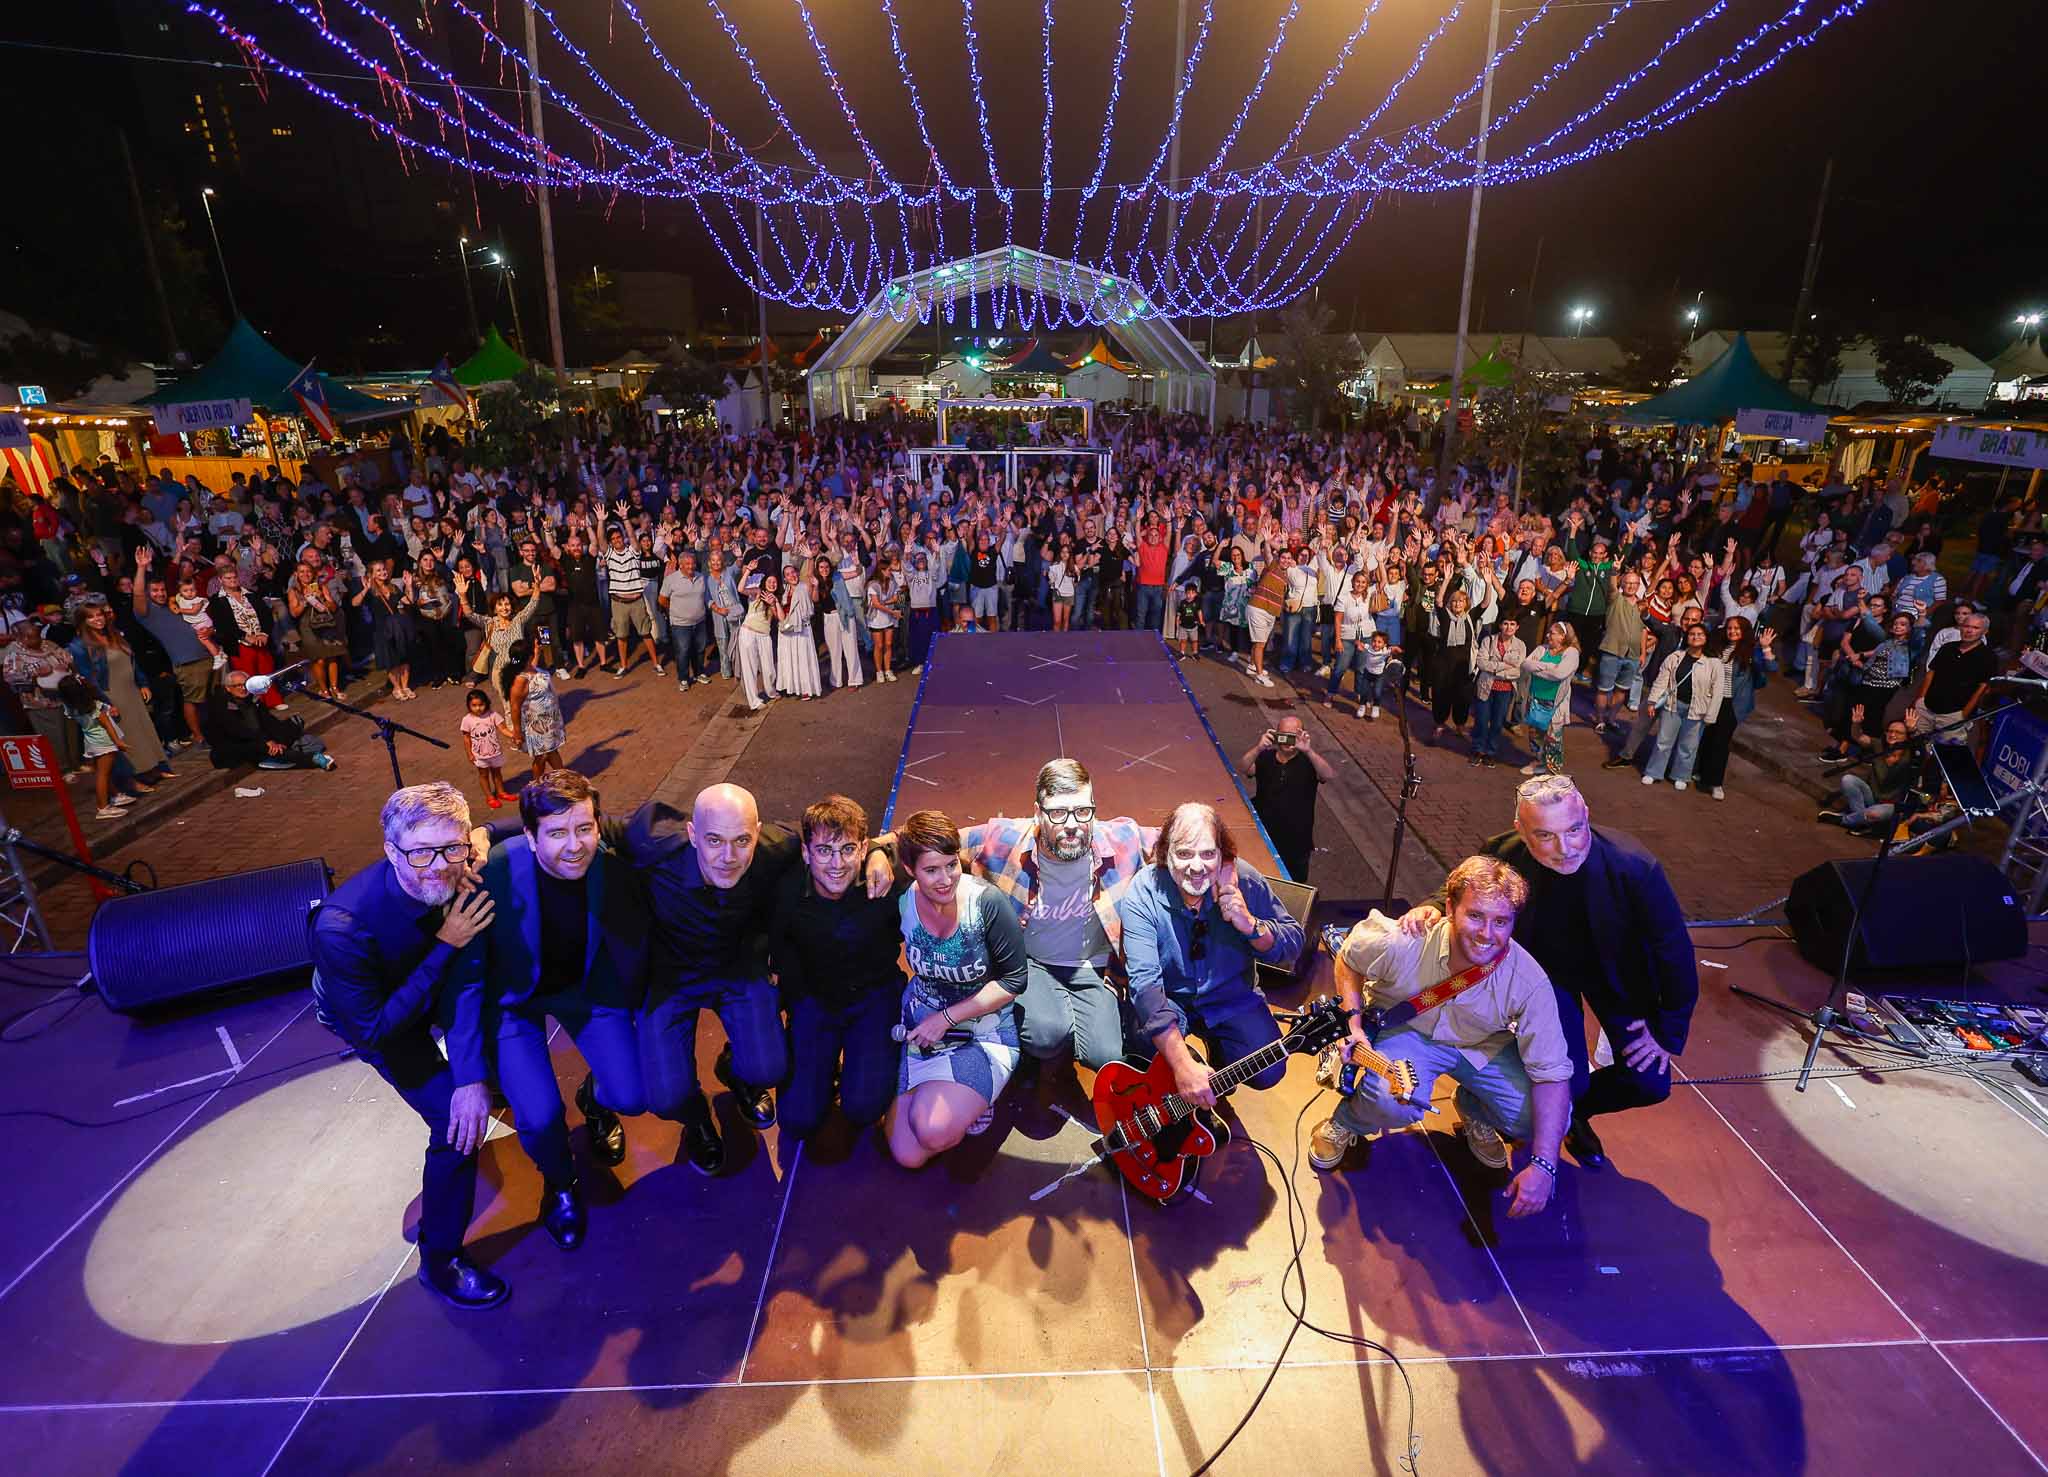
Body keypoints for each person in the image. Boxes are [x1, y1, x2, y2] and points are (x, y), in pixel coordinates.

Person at [1397, 775, 1697, 1171]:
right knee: (1569, 1080)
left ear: (1587, 814)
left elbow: (1673, 949)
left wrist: (1668, 1029)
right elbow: (1465, 889)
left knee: (1650, 1083)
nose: (1566, 847)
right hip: (1547, 978)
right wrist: (1433, 907)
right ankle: (1564, 1110)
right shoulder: (1504, 852)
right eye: (1546, 836)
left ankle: (1574, 1115)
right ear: (1521, 830)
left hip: (1618, 978)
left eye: (1575, 829)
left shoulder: (1634, 866)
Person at [309, 781, 506, 1309]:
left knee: (489, 1077)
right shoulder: (342, 926)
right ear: (391, 851)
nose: (439, 866)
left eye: (453, 847)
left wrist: (471, 1076)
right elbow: (372, 1029)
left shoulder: (459, 868)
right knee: (455, 1125)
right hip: (373, 1015)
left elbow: (465, 987)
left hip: (434, 976)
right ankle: (440, 1261)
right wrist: (446, 945)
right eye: (421, 852)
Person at [628, 781, 893, 1174]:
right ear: (692, 835)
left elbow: (840, 835)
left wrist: (878, 853)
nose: (729, 856)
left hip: (738, 970)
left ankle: (737, 1068)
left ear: (757, 833)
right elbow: (578, 828)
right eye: (714, 840)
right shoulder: (653, 847)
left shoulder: (776, 846)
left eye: (742, 840)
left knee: (768, 1069)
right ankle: (697, 1121)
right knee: (664, 1097)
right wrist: (497, 831)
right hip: (671, 980)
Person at [452, 769, 648, 1251]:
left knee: (632, 1093)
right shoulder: (493, 870)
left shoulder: (610, 859)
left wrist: (872, 846)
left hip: (585, 990)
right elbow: (466, 978)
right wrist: (468, 1073)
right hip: (515, 1001)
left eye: (584, 829)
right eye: (557, 833)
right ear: (530, 836)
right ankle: (561, 1184)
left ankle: (594, 1100)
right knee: (538, 1120)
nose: (575, 845)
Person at [1312, 856, 1571, 1219]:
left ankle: (1473, 1108)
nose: (1486, 933)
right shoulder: (1406, 939)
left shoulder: (1529, 981)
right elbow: (1349, 960)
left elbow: (1552, 1074)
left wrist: (1545, 1165)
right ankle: (1347, 1121)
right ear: (1449, 907)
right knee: (1393, 1100)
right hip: (1408, 1033)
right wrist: (1353, 1022)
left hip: (1480, 1046)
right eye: (1475, 915)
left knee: (1544, 1118)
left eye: (1501, 922)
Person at [954, 759, 1155, 1072]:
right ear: (1038, 812)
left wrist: (1226, 869)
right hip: (1031, 964)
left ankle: (1070, 1017)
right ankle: (1044, 1021)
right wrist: (879, 854)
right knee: (1046, 1036)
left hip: (1094, 968)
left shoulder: (1123, 838)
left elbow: (1187, 838)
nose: (1072, 824)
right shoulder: (1005, 839)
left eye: (1082, 811)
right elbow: (931, 840)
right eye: (1058, 812)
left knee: (1106, 1057)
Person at [1116, 803, 1306, 1111]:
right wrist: (1182, 1066)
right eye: (1184, 854)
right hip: (1170, 998)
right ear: (1165, 854)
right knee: (1146, 1052)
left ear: (1222, 854)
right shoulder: (1143, 890)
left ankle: (1219, 1062)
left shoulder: (1244, 879)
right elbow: (1145, 985)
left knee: (1269, 1069)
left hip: (1230, 997)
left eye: (1207, 854)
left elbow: (1294, 942)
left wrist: (1252, 926)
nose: (1196, 866)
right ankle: (1191, 1076)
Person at [887, 809, 1030, 1166]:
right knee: (906, 1155)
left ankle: (981, 1095)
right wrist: (876, 854)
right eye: (931, 869)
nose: (945, 879)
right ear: (909, 870)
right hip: (923, 1028)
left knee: (931, 1129)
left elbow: (1015, 980)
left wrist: (947, 1017)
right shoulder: (903, 902)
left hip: (983, 1031)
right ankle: (958, 1101)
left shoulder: (986, 903)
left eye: (951, 865)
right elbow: (869, 848)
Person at [769, 795, 908, 1141]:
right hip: (815, 1001)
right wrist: (795, 1001)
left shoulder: (885, 883)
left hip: (873, 998)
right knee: (797, 1120)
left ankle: (864, 1064)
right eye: (824, 851)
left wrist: (881, 851)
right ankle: (822, 1067)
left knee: (863, 1108)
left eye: (847, 849)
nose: (836, 864)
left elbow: (926, 840)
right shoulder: (785, 892)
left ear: (862, 849)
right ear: (806, 852)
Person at [130, 545, 212, 743]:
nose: (160, 593)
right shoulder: (147, 613)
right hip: (187, 662)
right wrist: (141, 568)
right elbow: (138, 594)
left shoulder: (175, 604)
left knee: (213, 700)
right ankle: (199, 736)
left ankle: (215, 731)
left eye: (162, 590)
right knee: (193, 701)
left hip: (208, 655)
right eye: (155, 591)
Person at [1240, 713, 1335, 882]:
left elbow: (1327, 775)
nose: (1288, 742)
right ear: (1276, 736)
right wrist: (1259, 748)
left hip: (1297, 840)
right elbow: (1244, 767)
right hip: (1265, 835)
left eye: (1294, 736)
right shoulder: (1265, 757)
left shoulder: (1309, 762)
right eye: (1283, 736)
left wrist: (1309, 750)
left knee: (1295, 885)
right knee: (1261, 881)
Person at [1640, 621, 1727, 793]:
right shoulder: (1675, 657)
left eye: (1700, 634)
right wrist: (1652, 701)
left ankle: (1680, 776)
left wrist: (1711, 716)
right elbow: (1662, 680)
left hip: (1697, 710)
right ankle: (1653, 772)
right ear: (1687, 637)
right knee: (1663, 742)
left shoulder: (1714, 664)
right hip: (1672, 705)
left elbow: (1718, 692)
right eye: (1692, 634)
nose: (1696, 637)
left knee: (1688, 746)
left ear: (1706, 638)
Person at [201, 669, 336, 771]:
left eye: (245, 685)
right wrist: (268, 741)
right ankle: (312, 760)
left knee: (295, 722)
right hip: (234, 744)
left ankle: (280, 751)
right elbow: (238, 730)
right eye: (238, 686)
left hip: (261, 736)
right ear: (228, 688)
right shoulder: (222, 706)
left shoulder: (253, 699)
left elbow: (268, 721)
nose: (243, 689)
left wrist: (279, 741)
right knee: (264, 746)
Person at [1818, 718, 1922, 835]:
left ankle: (1844, 820)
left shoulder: (1911, 754)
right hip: (1872, 797)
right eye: (1890, 731)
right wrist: (1856, 724)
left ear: (1906, 736)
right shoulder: (1879, 745)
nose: (1893, 734)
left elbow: (1921, 751)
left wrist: (1913, 732)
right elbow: (1859, 737)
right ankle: (1861, 821)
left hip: (1890, 805)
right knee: (1848, 780)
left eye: (1898, 732)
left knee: (1874, 814)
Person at [1905, 606, 1996, 738]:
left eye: (1975, 628)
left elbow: (1983, 687)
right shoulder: (1948, 647)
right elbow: (1931, 673)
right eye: (1966, 626)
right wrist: (1920, 699)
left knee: (1945, 752)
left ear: (1985, 632)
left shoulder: (1988, 657)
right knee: (1915, 745)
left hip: (1954, 714)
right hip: (1927, 706)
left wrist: (1964, 714)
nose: (1969, 630)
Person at [1518, 619, 1580, 777]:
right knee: (1534, 734)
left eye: (1551, 633)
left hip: (1555, 704)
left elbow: (1560, 674)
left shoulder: (1571, 653)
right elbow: (1525, 664)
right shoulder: (1541, 649)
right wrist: (1549, 668)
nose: (1547, 636)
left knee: (1553, 739)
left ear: (1562, 636)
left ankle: (1553, 770)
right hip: (1535, 699)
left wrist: (1539, 667)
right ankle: (1539, 761)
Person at [502, 637, 566, 779]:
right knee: (542, 756)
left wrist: (536, 653)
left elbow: (532, 669)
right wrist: (517, 732)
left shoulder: (531, 668)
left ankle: (564, 779)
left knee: (552, 751)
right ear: (527, 657)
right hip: (537, 726)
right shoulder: (520, 680)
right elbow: (515, 708)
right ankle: (536, 785)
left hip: (549, 722)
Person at [459, 687, 513, 810]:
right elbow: (466, 738)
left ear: (486, 703)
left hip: (495, 752)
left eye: (481, 705)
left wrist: (514, 735)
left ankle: (501, 792)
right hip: (479, 755)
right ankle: (489, 796)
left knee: (497, 773)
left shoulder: (493, 715)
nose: (478, 708)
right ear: (468, 706)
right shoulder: (467, 720)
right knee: (483, 775)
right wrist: (469, 754)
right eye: (474, 705)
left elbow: (503, 729)